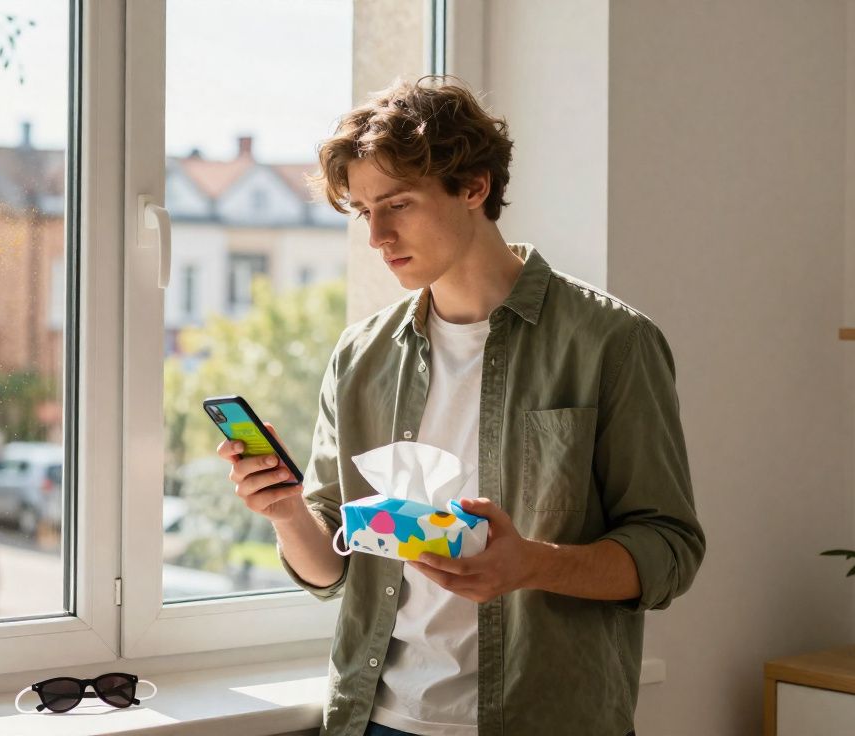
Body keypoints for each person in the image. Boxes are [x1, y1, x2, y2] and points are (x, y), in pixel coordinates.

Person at [217, 76, 705, 736]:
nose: (377, 235)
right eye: (364, 212)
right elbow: (333, 571)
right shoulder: (361, 356)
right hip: (378, 719)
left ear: (474, 187)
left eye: (398, 204)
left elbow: (669, 550)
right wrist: (286, 513)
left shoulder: (611, 342)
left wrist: (531, 563)